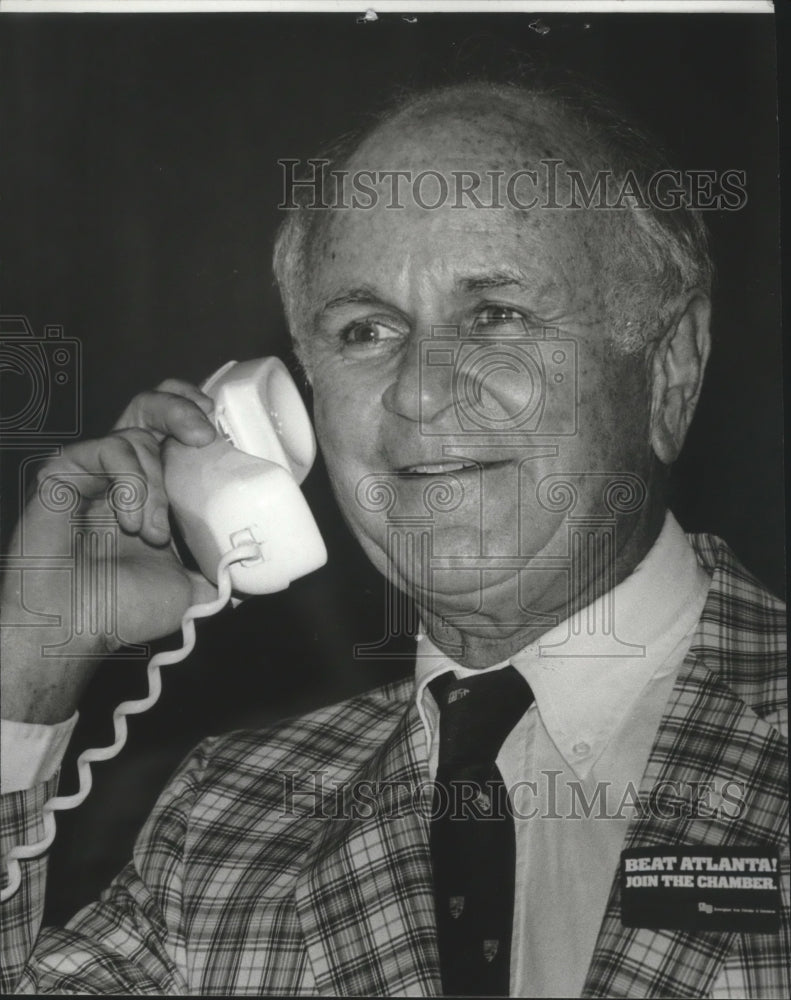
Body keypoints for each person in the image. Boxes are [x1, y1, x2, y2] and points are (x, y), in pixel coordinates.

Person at [1, 79, 787, 997]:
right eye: (365, 330)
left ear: (669, 370)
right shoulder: (225, 822)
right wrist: (30, 666)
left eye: (495, 315)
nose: (417, 390)